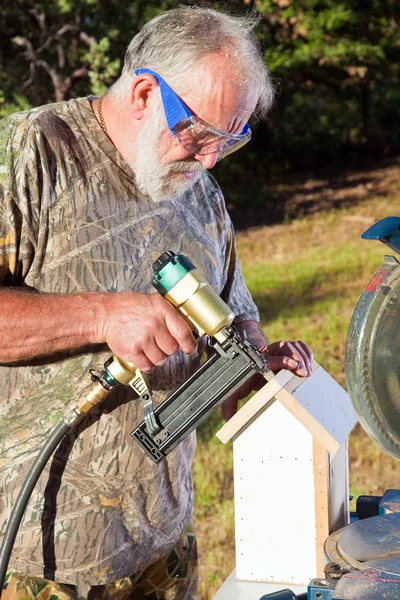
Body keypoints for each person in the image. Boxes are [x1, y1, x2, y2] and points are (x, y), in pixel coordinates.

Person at [0, 6, 313, 600]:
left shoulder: (202, 191)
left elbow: (234, 317)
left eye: (232, 137)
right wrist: (100, 314)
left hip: (164, 554)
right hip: (39, 564)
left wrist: (251, 371)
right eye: (200, 132)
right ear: (145, 92)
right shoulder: (30, 153)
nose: (212, 158)